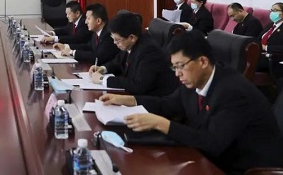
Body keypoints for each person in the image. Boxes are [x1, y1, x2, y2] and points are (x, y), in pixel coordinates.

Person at [100, 31, 283, 174]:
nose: (177, 74)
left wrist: (161, 124)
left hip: (244, 168)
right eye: (174, 67)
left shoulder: (232, 92)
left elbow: (212, 142)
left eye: (181, 66)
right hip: (211, 159)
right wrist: (128, 100)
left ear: (202, 61)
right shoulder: (194, 81)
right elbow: (167, 105)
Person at [89, 12, 178, 96]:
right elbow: (117, 62)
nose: (114, 43)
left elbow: (138, 85)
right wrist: (102, 69)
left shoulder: (148, 51)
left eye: (117, 40)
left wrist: (102, 79)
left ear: (132, 37)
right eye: (113, 38)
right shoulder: (129, 44)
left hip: (154, 99)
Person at [53, 3, 119, 66]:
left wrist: (72, 52)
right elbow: (88, 47)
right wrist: (66, 46)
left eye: (88, 18)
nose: (85, 22)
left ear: (98, 21)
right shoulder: (96, 33)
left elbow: (97, 58)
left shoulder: (109, 35)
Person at [257, 2, 283, 78]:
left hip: (274, 58)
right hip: (260, 54)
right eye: (271, 10)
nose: (272, 13)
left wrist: (266, 48)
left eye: (275, 10)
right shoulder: (270, 25)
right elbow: (258, 39)